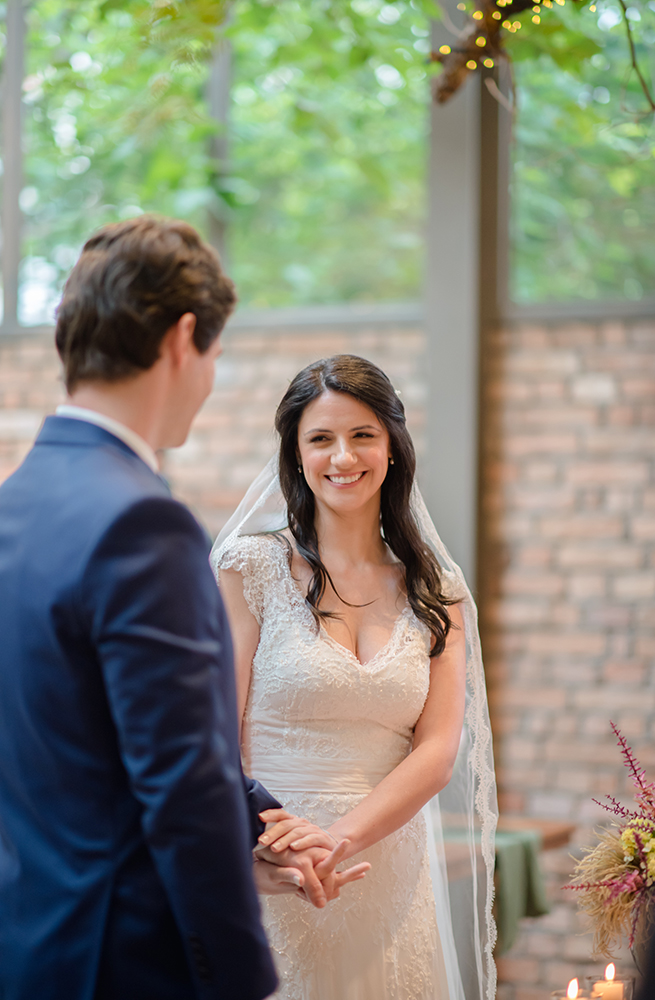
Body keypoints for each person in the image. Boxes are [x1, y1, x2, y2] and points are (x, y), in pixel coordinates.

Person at [0, 217, 358, 1000]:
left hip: (31, 943)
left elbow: (90, 734)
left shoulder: (14, 505)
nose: (210, 380)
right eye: (216, 357)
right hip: (124, 958)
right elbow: (180, 781)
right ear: (182, 339)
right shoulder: (142, 523)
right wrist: (240, 979)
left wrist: (257, 819)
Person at [212, 355, 498, 1000]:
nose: (344, 457)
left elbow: (438, 750)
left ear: (392, 445)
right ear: (296, 455)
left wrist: (338, 840)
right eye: (321, 438)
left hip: (386, 868)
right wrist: (257, 853)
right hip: (275, 859)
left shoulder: (436, 589)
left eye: (362, 435)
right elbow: (213, 737)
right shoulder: (248, 568)